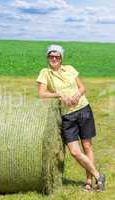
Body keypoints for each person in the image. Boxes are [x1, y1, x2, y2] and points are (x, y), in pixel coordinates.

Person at [36, 44, 105, 192]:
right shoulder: (45, 73)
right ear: (48, 58)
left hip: (83, 109)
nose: (54, 58)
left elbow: (82, 88)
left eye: (57, 56)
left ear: (61, 58)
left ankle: (88, 181)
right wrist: (59, 94)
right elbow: (42, 94)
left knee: (87, 146)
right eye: (51, 56)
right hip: (67, 115)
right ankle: (98, 176)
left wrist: (76, 95)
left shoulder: (70, 69)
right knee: (74, 151)